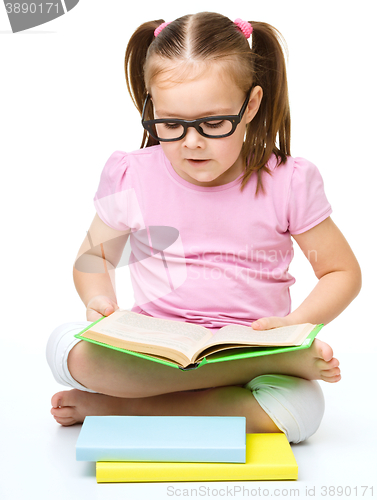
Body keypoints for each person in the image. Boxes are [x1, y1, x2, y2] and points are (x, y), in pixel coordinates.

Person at [46, 12, 361, 443]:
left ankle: (120, 408)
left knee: (300, 413)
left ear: (250, 106)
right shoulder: (133, 174)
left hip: (250, 345)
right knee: (67, 350)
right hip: (157, 353)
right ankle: (247, 376)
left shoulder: (287, 181)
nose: (191, 142)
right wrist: (100, 301)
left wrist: (294, 326)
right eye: (171, 124)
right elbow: (95, 257)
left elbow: (341, 272)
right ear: (151, 107)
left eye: (213, 124)